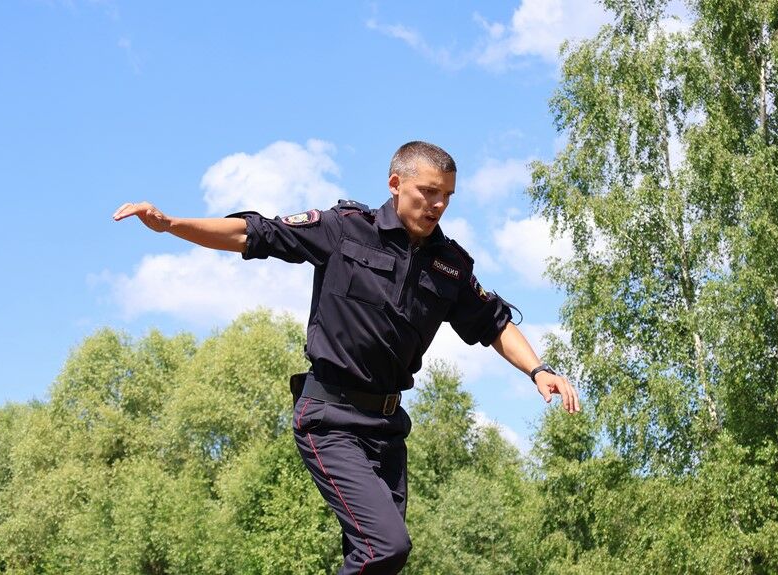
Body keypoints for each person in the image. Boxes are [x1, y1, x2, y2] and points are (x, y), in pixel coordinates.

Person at [113, 140, 581, 574]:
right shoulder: (345, 229)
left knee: (376, 559)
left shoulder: (449, 265)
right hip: (330, 418)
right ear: (395, 183)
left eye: (447, 196)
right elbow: (254, 234)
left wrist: (538, 370)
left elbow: (493, 323)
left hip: (388, 429)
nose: (438, 205)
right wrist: (171, 224)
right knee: (386, 546)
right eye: (428, 191)